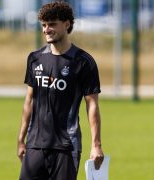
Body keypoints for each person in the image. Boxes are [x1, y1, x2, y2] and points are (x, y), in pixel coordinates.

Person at [17, 1, 104, 179]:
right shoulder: (35, 59)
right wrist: (21, 138)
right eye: (43, 25)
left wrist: (96, 144)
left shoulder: (83, 62)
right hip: (35, 145)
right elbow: (29, 101)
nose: (46, 29)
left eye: (52, 24)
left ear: (67, 24)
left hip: (66, 146)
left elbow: (92, 105)